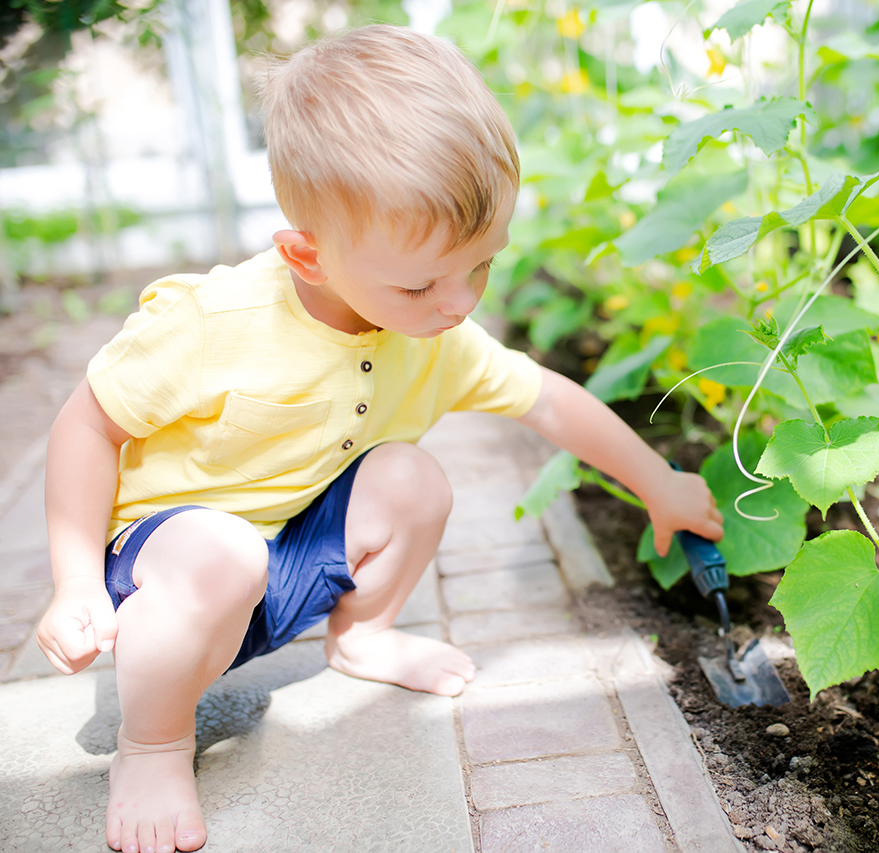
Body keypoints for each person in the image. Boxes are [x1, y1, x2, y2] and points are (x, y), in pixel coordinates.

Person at [34, 25, 723, 853]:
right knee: (223, 552)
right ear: (307, 255)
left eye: (483, 264)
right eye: (423, 280)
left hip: (282, 561)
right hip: (169, 579)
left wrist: (660, 483)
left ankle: (361, 634)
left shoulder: (432, 328)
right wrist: (75, 581)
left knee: (411, 478)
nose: (458, 302)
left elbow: (548, 401)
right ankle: (151, 745)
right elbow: (87, 421)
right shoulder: (216, 324)